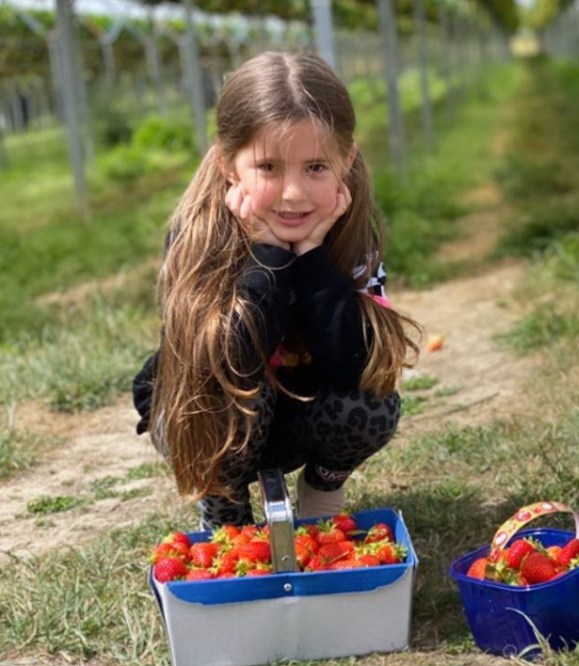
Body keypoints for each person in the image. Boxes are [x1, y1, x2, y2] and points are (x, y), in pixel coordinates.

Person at [132, 51, 420, 530]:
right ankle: (225, 506)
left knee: (369, 403)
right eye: (267, 167)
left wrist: (311, 257)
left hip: (304, 409)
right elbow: (226, 362)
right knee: (220, 394)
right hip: (219, 412)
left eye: (315, 168)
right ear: (229, 165)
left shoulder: (350, 231)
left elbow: (355, 363)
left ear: (346, 161)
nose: (292, 194)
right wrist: (267, 254)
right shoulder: (197, 234)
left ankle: (323, 492)